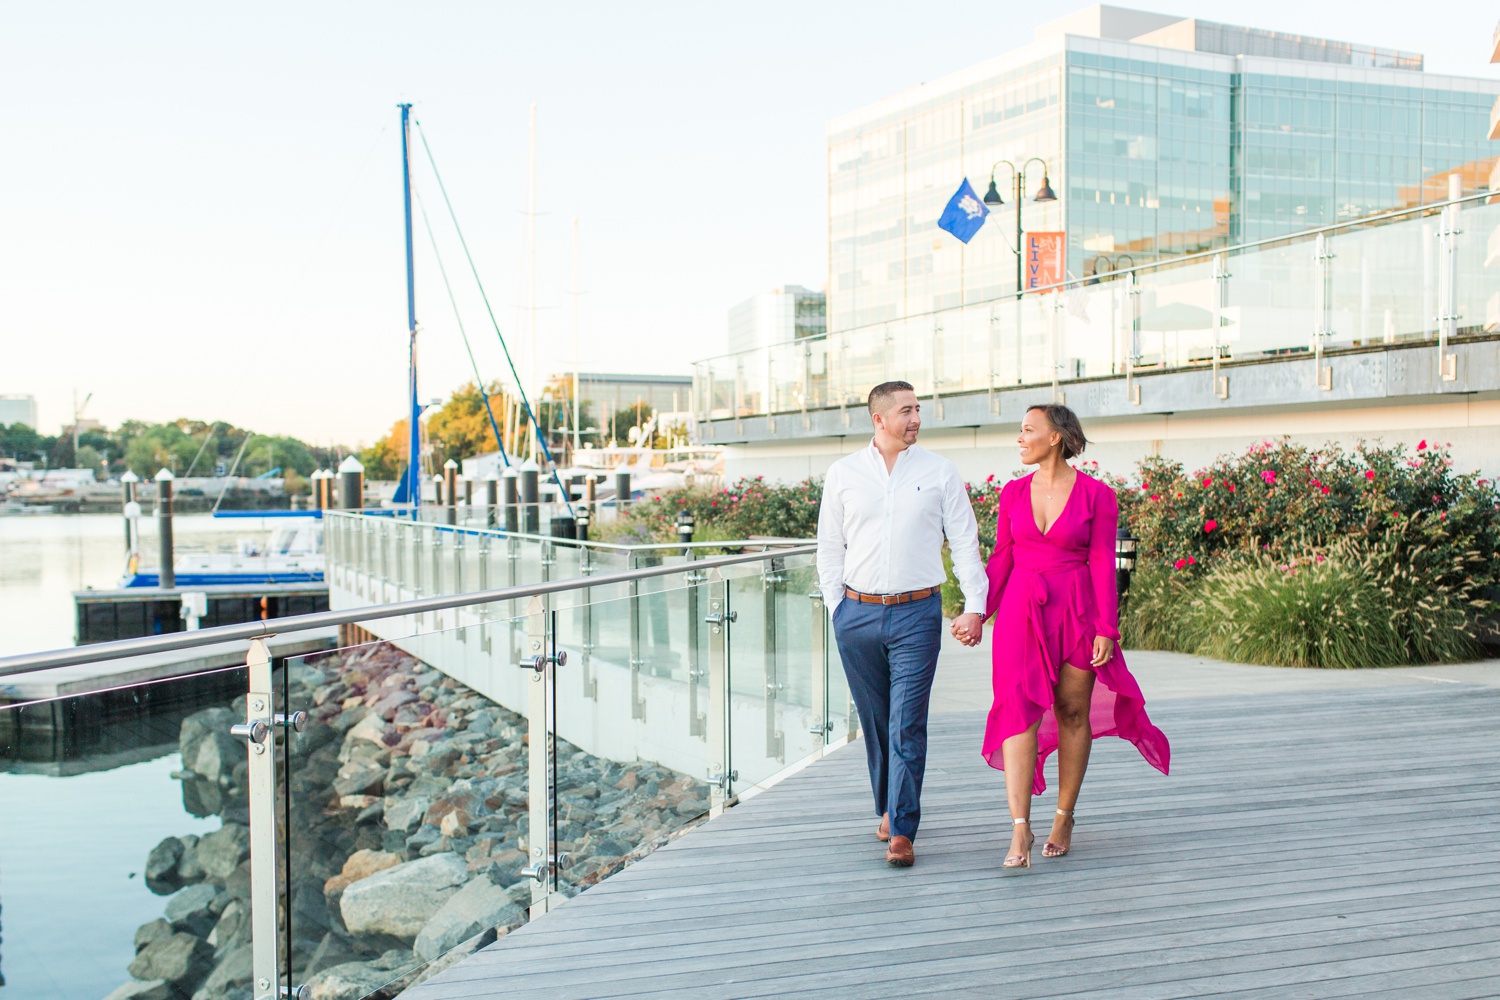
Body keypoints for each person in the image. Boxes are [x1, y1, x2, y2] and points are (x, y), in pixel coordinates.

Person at [969, 403, 1170, 870]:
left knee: (1073, 711)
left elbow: (1102, 562)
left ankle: (1064, 816)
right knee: (1018, 714)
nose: (1019, 439)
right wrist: (978, 612)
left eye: (1027, 431)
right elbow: (1001, 560)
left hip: (1077, 609)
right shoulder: (1013, 493)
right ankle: (1020, 826)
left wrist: (1107, 628)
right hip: (1022, 611)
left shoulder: (1097, 495)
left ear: (1056, 437)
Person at [817, 381, 987, 867]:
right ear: (879, 419)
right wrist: (838, 609)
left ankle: (903, 828)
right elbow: (829, 546)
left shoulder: (939, 472)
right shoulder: (844, 473)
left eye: (918, 409)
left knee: (906, 721)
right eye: (907, 410)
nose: (916, 418)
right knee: (875, 721)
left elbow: (965, 542)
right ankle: (887, 807)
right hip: (858, 614)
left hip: (917, 613)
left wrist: (975, 604)